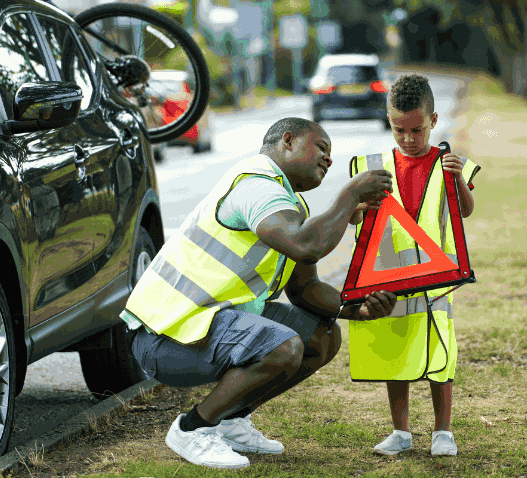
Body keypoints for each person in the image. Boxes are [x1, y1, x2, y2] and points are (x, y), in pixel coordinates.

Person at [120, 117, 398, 469]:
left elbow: (305, 289)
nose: (328, 160)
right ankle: (193, 429)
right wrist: (349, 196)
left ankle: (232, 420)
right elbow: (304, 246)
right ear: (287, 141)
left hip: (205, 323)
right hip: (162, 336)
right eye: (322, 148)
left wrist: (355, 308)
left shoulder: (289, 203)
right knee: (283, 346)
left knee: (321, 336)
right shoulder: (257, 184)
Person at [349, 75, 481, 457]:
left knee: (441, 352)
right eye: (398, 129)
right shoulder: (372, 167)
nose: (408, 138)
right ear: (388, 122)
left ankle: (443, 431)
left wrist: (456, 179)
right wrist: (359, 205)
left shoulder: (449, 161)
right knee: (396, 350)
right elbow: (353, 219)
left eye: (417, 129)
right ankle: (400, 431)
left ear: (434, 120)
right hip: (388, 276)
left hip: (436, 277)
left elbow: (466, 212)